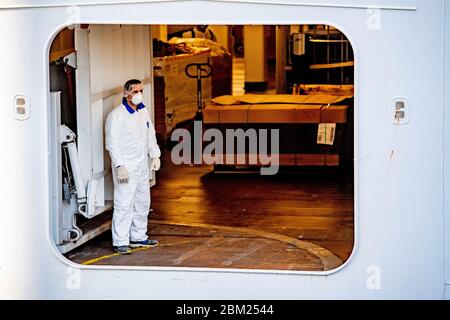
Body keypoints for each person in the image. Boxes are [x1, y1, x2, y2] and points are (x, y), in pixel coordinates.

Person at [105, 79, 161, 255]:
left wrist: (155, 154)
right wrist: (120, 165)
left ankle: (138, 236)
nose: (139, 95)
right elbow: (112, 143)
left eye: (140, 91)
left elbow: (150, 134)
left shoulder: (142, 111)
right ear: (125, 93)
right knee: (124, 203)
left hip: (141, 165)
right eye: (135, 91)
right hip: (126, 167)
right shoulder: (117, 116)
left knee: (143, 202)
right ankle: (121, 240)